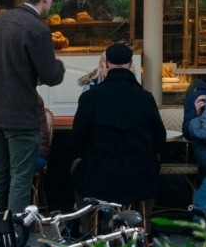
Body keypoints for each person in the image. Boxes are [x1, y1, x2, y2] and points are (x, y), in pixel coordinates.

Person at [0, 0, 65, 220]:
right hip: (20, 115)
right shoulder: (37, 28)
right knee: (20, 177)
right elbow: (51, 75)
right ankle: (14, 234)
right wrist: (58, 66)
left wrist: (12, 73)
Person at [70, 43, 165, 217]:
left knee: (77, 171)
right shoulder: (145, 97)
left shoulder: (90, 97)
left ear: (106, 65)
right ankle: (143, 226)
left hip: (99, 176)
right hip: (139, 177)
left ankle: (88, 226)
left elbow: (77, 139)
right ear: (130, 64)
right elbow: (159, 138)